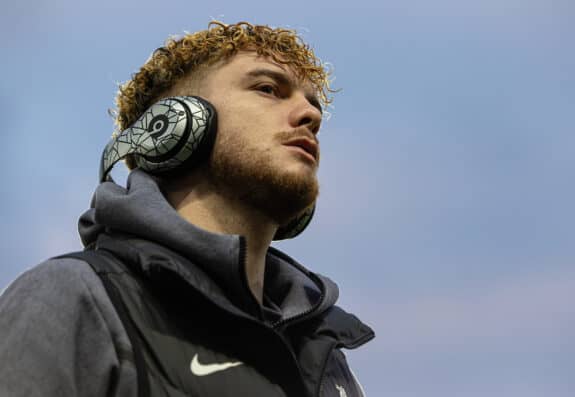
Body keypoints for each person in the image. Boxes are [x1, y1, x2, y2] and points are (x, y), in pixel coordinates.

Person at [0, 21, 374, 397]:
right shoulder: (73, 299)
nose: (310, 115)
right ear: (175, 127)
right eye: (268, 89)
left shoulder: (328, 361)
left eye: (313, 105)